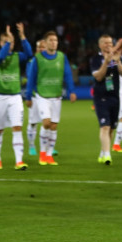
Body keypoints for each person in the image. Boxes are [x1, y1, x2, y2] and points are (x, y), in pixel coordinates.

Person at [25, 31, 77, 166]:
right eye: (51, 40)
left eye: (56, 40)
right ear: (46, 42)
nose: (54, 42)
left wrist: (71, 91)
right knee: (46, 123)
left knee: (54, 126)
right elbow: (31, 78)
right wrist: (28, 95)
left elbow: (68, 74)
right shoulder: (38, 59)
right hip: (42, 96)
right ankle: (42, 153)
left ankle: (49, 155)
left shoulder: (61, 57)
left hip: (56, 96)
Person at [0, 23, 33, 170]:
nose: (11, 44)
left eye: (12, 42)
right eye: (7, 41)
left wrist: (22, 36)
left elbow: (29, 54)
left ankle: (19, 161)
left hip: (15, 97)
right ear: (1, 43)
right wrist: (8, 42)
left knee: (17, 127)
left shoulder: (17, 56)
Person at [91, 35, 122, 165]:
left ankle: (103, 152)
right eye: (105, 43)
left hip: (115, 97)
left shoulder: (117, 57)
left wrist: (117, 62)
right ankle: (107, 155)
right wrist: (106, 62)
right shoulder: (96, 59)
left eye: (110, 43)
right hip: (101, 97)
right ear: (100, 45)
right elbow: (99, 77)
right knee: (105, 126)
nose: (108, 45)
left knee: (111, 128)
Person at [26, 39, 45, 157]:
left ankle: (47, 147)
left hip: (47, 96)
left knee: (49, 122)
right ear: (36, 50)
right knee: (33, 123)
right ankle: (32, 145)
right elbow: (30, 79)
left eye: (43, 47)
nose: (41, 49)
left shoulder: (49, 61)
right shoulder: (32, 62)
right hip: (35, 95)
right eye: (39, 47)